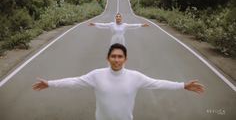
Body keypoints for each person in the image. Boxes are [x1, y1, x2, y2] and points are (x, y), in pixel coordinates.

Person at [32, 43, 204, 120]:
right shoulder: (96, 75)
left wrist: (183, 85)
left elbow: (158, 83)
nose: (116, 59)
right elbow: (74, 81)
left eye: (120, 56)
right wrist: (50, 83)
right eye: (113, 56)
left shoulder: (135, 77)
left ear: (125, 59)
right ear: (107, 58)